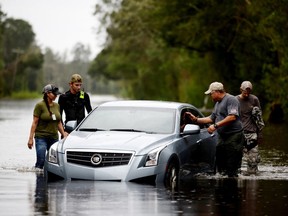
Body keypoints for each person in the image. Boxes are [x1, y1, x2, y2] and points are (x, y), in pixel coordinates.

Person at [185, 82, 245, 177]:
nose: (210, 96)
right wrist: (196, 120)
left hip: (234, 136)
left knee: (232, 166)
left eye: (211, 94)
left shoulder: (231, 99)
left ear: (217, 92)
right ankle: (222, 184)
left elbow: (232, 117)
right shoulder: (217, 103)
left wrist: (215, 126)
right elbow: (211, 118)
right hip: (222, 137)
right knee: (220, 164)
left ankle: (232, 186)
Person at [27, 84, 68, 171]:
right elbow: (34, 123)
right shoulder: (39, 105)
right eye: (54, 94)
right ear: (48, 93)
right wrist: (30, 139)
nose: (56, 95)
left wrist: (64, 134)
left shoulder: (57, 106)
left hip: (54, 138)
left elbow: (58, 122)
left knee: (56, 162)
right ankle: (39, 181)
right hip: (41, 137)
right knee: (41, 162)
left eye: (57, 94)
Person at [237, 81, 264, 175]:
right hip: (239, 133)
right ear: (241, 89)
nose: (247, 94)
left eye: (249, 92)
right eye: (245, 91)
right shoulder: (235, 100)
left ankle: (252, 179)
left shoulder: (254, 99)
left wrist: (260, 133)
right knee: (236, 158)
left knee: (253, 160)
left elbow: (259, 118)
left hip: (252, 133)